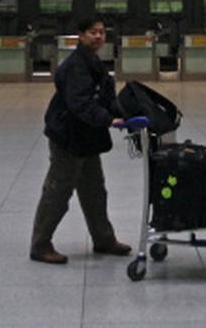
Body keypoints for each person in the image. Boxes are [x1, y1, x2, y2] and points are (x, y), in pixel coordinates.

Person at [30, 16, 131, 264]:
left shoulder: (94, 62)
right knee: (58, 191)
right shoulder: (75, 66)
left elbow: (105, 97)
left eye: (101, 32)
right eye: (92, 32)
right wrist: (108, 119)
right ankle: (40, 245)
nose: (98, 36)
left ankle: (104, 239)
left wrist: (124, 113)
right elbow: (81, 104)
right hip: (68, 137)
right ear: (81, 35)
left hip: (86, 136)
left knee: (94, 190)